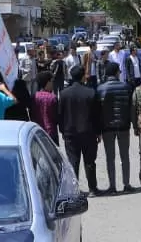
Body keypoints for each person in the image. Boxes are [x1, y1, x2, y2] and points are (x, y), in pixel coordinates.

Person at [59, 65, 101, 195]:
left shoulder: (64, 93)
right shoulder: (91, 92)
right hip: (88, 132)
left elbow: (60, 114)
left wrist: (63, 131)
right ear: (83, 76)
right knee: (90, 161)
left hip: (70, 132)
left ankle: (74, 190)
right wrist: (98, 132)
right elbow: (97, 115)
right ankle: (93, 188)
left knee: (73, 162)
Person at [96, 61, 133, 195]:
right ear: (117, 72)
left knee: (110, 157)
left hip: (107, 127)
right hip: (123, 125)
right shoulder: (126, 87)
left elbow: (98, 111)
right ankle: (126, 184)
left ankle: (112, 186)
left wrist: (98, 129)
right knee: (125, 156)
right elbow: (131, 107)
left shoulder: (100, 89)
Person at [32, 71, 59, 145]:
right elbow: (56, 117)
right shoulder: (53, 98)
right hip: (51, 132)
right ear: (47, 82)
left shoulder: (34, 97)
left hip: (37, 132)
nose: (53, 83)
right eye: (52, 81)